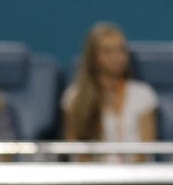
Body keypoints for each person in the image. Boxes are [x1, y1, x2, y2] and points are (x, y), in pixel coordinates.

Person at [61, 22, 158, 160]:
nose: (117, 57)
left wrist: (131, 178)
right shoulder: (73, 97)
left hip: (136, 177)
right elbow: (76, 152)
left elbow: (146, 152)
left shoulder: (143, 94)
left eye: (121, 50)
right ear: (93, 57)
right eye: (108, 51)